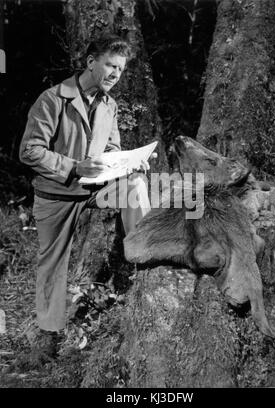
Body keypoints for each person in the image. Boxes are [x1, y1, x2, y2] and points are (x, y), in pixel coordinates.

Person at [19, 33, 152, 357]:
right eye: (110, 65)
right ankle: (47, 338)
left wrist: (129, 164)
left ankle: (148, 262)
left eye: (120, 70)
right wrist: (76, 166)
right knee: (53, 261)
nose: (115, 74)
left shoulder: (110, 106)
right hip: (56, 193)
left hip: (93, 189)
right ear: (91, 62)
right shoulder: (53, 99)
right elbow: (30, 150)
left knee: (135, 186)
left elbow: (111, 149)